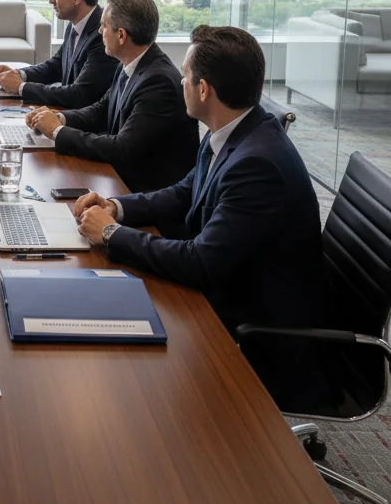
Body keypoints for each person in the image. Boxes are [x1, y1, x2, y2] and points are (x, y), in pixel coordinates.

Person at [72, 24, 322, 405]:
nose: (180, 82)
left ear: (204, 90)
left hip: (254, 325)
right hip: (227, 288)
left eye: (186, 76)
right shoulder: (233, 128)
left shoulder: (258, 164)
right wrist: (116, 208)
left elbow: (201, 262)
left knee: (119, 375)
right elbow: (184, 190)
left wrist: (111, 235)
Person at [25, 0, 198, 194]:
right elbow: (101, 110)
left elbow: (122, 148)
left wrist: (57, 132)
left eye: (104, 26)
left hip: (144, 194)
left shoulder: (158, 82)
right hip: (119, 178)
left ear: (121, 35)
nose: (99, 32)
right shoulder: (131, 63)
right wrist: (58, 118)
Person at [0, 0, 116, 108]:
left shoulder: (102, 36)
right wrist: (18, 75)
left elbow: (81, 94)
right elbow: (55, 67)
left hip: (81, 122)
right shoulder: (75, 26)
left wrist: (21, 87)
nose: (51, 0)